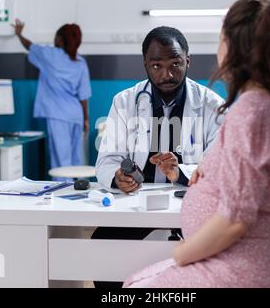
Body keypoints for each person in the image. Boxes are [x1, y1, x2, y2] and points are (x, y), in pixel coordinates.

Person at [124, 0, 270, 288]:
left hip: (239, 267)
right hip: (267, 259)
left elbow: (235, 220)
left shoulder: (251, 113)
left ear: (235, 49)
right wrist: (209, 173)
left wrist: (182, 253)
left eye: (221, 39)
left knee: (132, 289)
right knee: (137, 278)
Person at [93, 26, 224, 288]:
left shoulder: (211, 104)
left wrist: (182, 172)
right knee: (103, 249)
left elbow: (219, 165)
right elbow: (107, 160)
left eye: (176, 63)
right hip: (136, 206)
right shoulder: (125, 102)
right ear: (145, 65)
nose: (167, 74)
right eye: (156, 65)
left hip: (191, 205)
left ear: (188, 60)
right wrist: (119, 178)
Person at [13, 19, 92, 173]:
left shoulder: (50, 56)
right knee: (77, 160)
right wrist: (86, 119)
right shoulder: (80, 62)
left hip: (58, 115)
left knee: (61, 162)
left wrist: (19, 34)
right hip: (76, 115)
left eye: (56, 36)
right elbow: (83, 95)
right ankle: (79, 192)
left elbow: (29, 46)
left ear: (60, 40)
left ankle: (63, 194)